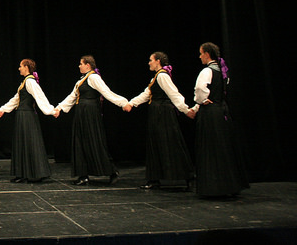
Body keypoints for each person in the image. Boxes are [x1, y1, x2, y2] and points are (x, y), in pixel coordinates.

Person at [54, 55, 128, 185]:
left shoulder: (94, 77)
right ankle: (83, 175)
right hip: (81, 114)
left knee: (94, 141)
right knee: (80, 142)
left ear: (88, 65)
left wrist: (123, 103)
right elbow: (72, 96)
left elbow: (106, 92)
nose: (79, 66)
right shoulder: (81, 80)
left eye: (81, 64)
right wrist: (59, 108)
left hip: (90, 114)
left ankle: (112, 171)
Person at [125, 52, 195, 190]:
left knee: (169, 142)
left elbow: (174, 94)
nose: (149, 63)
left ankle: (187, 177)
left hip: (163, 113)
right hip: (156, 113)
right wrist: (131, 103)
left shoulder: (162, 76)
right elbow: (146, 94)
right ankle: (154, 179)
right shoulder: (157, 76)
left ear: (158, 61)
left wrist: (185, 110)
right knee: (155, 144)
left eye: (150, 60)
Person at [193, 42, 249, 197]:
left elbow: (200, 89)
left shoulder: (207, 71)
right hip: (222, 111)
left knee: (211, 148)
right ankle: (229, 185)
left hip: (210, 114)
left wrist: (201, 100)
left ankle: (214, 187)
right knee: (223, 146)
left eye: (201, 53)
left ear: (207, 54)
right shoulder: (223, 71)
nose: (200, 56)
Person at [0, 59, 56, 183]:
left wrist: (51, 110)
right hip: (22, 115)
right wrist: (3, 110)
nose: (19, 68)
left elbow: (40, 97)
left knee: (29, 142)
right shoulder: (25, 82)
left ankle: (34, 173)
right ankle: (23, 173)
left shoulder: (30, 82)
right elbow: (16, 99)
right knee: (23, 143)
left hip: (27, 116)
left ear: (26, 67)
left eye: (21, 66)